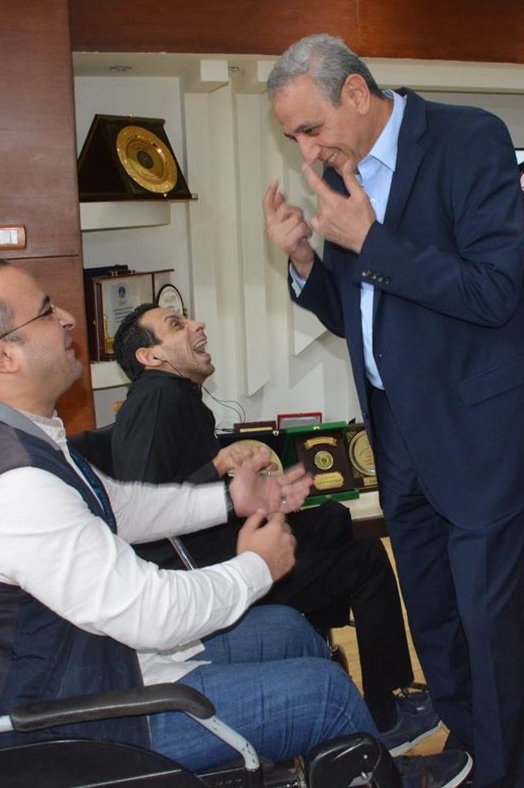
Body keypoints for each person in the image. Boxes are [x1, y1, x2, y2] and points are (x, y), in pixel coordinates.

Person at [0, 257, 472, 786]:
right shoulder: (16, 486)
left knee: (289, 630)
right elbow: (151, 614)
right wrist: (257, 567)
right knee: (324, 691)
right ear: (1, 356)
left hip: (96, 668)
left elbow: (120, 505)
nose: (67, 318)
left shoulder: (11, 438)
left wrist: (230, 500)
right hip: (84, 725)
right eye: (44, 311)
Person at [262, 34, 524, 788]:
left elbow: (494, 292)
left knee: (489, 629)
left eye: (310, 128)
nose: (306, 150)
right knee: (433, 614)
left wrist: (371, 239)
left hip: (481, 435)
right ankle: (470, 747)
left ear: (355, 93)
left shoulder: (470, 140)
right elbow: (360, 317)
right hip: (398, 433)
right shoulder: (340, 174)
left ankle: (507, 775)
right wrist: (304, 261)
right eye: (293, 137)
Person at [104, 300, 441, 754]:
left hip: (213, 546)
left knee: (334, 518)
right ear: (151, 356)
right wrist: (219, 467)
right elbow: (144, 502)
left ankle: (313, 647)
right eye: (176, 324)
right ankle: (386, 715)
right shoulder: (158, 398)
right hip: (203, 571)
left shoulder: (174, 395)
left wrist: (236, 480)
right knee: (366, 560)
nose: (198, 325)